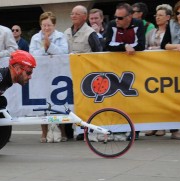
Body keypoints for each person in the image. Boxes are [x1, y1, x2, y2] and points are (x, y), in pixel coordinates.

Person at [106, 3, 145, 140]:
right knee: (118, 99)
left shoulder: (138, 24)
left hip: (135, 69)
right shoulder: (111, 25)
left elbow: (141, 45)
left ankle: (136, 130)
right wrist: (125, 46)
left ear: (129, 17)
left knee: (135, 99)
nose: (117, 20)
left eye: (120, 18)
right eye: (116, 17)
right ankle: (119, 128)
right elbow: (107, 45)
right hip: (115, 69)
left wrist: (127, 47)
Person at [64, 5, 103, 141]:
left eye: (77, 14)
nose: (73, 16)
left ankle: (87, 130)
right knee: (72, 104)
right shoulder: (67, 32)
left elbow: (98, 54)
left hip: (86, 76)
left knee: (86, 105)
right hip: (69, 75)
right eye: (72, 13)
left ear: (84, 17)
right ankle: (72, 131)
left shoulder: (90, 33)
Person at [29, 11, 69, 143]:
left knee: (59, 101)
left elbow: (64, 52)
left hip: (57, 73)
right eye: (44, 25)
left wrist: (50, 46)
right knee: (43, 102)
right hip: (42, 73)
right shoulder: (35, 38)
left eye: (49, 25)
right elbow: (32, 54)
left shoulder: (60, 36)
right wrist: (44, 48)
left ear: (54, 25)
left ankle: (61, 129)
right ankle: (44, 130)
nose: (46, 28)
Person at [160, 0, 180, 140]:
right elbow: (164, 45)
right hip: (175, 68)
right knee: (175, 98)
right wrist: (177, 47)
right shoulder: (172, 25)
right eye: (177, 13)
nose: (179, 16)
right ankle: (174, 130)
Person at [144, 4, 173, 137]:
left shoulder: (172, 32)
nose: (158, 18)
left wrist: (155, 49)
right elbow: (144, 48)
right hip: (152, 70)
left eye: (161, 15)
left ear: (168, 17)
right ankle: (155, 126)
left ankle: (170, 128)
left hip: (169, 70)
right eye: (157, 15)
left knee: (169, 99)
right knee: (153, 100)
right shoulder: (150, 33)